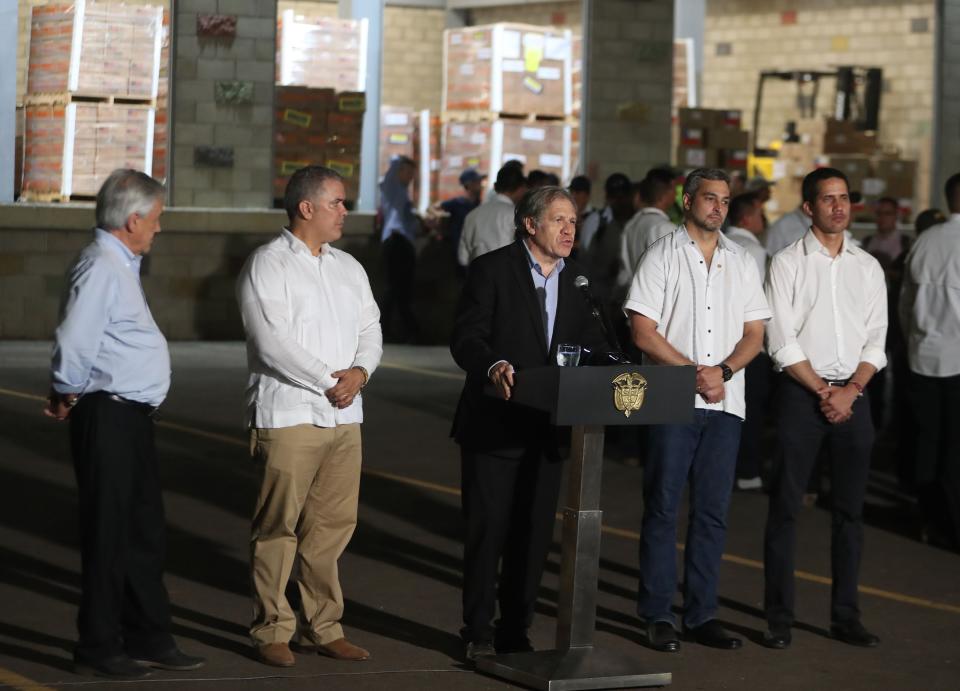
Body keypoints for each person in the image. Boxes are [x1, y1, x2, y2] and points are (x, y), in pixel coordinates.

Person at [45, 169, 204, 679]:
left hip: (129, 416)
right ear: (133, 219)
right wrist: (67, 389)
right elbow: (76, 336)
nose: (159, 228)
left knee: (143, 532)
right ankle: (98, 644)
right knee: (110, 534)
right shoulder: (100, 267)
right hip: (107, 412)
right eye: (155, 219)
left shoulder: (121, 264)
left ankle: (149, 634)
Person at [450, 186, 608, 662]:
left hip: (549, 428)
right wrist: (492, 365)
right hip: (495, 425)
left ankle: (516, 627)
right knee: (488, 532)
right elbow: (466, 338)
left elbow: (596, 345)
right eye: (558, 220)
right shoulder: (492, 270)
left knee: (533, 535)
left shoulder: (580, 281)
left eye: (574, 222)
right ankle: (477, 629)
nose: (568, 230)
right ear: (529, 224)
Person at [237, 165, 383, 668]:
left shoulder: (348, 267)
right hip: (290, 412)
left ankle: (323, 626)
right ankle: (272, 627)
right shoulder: (268, 264)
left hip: (345, 416)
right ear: (307, 208)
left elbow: (371, 326)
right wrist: (330, 379)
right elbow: (270, 341)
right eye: (338, 202)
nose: (345, 211)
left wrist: (361, 371)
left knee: (331, 527)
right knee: (278, 526)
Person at [624, 168, 770, 653]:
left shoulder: (743, 260)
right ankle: (658, 613)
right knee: (663, 508)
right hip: (671, 397)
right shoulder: (662, 254)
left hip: (726, 402)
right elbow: (642, 330)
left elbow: (755, 335)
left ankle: (703, 613)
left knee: (712, 512)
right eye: (710, 198)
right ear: (687, 201)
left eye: (726, 201)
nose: (718, 208)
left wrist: (722, 372)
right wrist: (693, 373)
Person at [763, 167, 887, 650]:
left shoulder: (867, 266)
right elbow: (781, 340)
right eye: (827, 199)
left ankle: (845, 616)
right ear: (808, 208)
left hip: (854, 398)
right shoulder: (787, 262)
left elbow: (877, 340)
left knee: (850, 513)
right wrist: (823, 391)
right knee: (786, 509)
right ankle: (779, 617)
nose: (839, 206)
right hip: (801, 397)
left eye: (844, 198)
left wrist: (851, 389)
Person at [899, 172, 960, 550]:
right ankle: (952, 526)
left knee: (926, 443)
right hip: (957, 361)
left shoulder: (924, 241)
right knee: (955, 449)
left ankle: (928, 517)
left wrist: (914, 342)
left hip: (922, 356)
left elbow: (905, 304)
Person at [725, 193, 772, 491]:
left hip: (718, 342)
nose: (762, 220)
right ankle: (747, 471)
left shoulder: (718, 243)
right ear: (746, 218)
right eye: (758, 213)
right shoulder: (753, 250)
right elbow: (758, 305)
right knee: (749, 411)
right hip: (747, 343)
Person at [861, 197, 911, 430]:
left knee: (898, 366)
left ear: (896, 215)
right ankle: (874, 416)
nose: (883, 218)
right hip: (869, 311)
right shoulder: (868, 241)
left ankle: (895, 423)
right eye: (879, 214)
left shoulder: (904, 242)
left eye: (887, 213)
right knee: (872, 366)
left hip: (895, 311)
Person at [379, 155, 421, 343]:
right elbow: (389, 177)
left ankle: (398, 330)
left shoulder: (402, 192)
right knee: (398, 290)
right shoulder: (393, 187)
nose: (411, 177)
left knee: (399, 290)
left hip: (401, 241)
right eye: (408, 172)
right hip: (397, 241)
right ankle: (406, 331)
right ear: (399, 171)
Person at [457, 163, 528, 267]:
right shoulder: (516, 215)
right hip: (505, 277)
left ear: (495, 187)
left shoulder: (472, 215)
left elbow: (463, 258)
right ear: (521, 188)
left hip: (477, 277)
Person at [619, 168, 678, 286]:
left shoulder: (632, 224)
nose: (676, 194)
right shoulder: (664, 228)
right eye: (674, 190)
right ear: (666, 194)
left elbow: (624, 272)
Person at [437, 168, 485, 258]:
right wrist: (438, 224)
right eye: (477, 182)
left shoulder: (478, 204)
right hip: (459, 249)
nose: (480, 185)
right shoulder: (457, 203)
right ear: (468, 185)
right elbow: (434, 207)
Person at [569, 175, 601, 252]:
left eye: (577, 192)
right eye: (571, 192)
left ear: (587, 195)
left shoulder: (595, 217)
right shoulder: (566, 214)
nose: (573, 196)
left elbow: (590, 245)